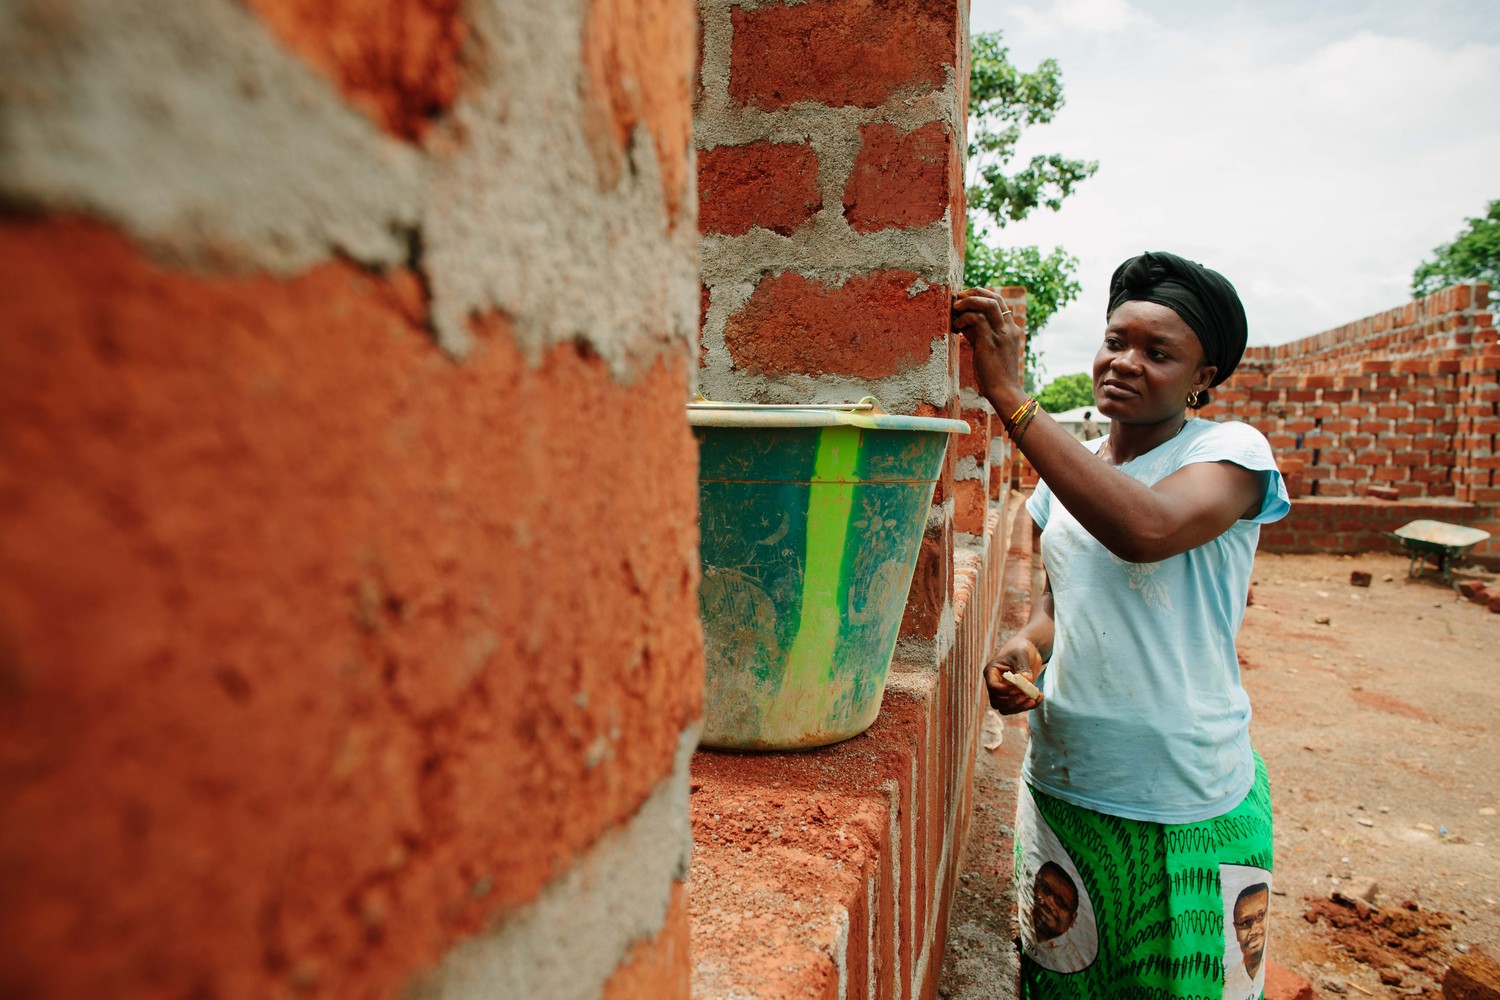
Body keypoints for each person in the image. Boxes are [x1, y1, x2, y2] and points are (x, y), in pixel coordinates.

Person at [952, 251, 1289, 997]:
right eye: (1116, 340)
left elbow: (1145, 528)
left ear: (1204, 378)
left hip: (1185, 795)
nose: (1125, 362)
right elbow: (1054, 607)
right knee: (1063, 982)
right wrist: (1023, 651)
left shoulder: (1229, 455)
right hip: (1071, 783)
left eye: (1158, 352)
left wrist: (1007, 393)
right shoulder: (1063, 483)